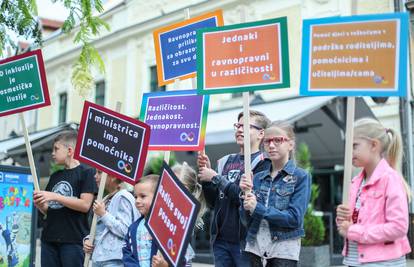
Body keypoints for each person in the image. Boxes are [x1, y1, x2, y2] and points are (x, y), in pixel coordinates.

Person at [197, 110, 270, 267]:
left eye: (246, 126)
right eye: (237, 125)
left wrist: (216, 178)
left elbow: (245, 199)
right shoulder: (225, 161)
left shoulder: (265, 163)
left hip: (246, 243)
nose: (239, 129)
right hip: (221, 241)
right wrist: (207, 181)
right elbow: (213, 203)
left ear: (261, 134)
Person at [336, 118, 411, 266]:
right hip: (353, 260)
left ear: (374, 145)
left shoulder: (390, 179)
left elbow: (398, 227)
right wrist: (341, 218)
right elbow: (350, 224)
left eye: (354, 145)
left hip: (383, 262)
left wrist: (354, 231)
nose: (349, 152)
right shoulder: (355, 182)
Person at [240, 120, 311, 267]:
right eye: (267, 141)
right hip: (254, 248)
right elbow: (245, 220)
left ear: (290, 144)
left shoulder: (301, 176)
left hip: (283, 250)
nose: (271, 145)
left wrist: (257, 208)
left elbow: (294, 219)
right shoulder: (258, 177)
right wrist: (244, 197)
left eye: (278, 140)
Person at [33, 130, 98, 267]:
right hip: (49, 238)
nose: (52, 153)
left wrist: (55, 196)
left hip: (73, 240)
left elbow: (85, 204)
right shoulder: (55, 176)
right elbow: (50, 210)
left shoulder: (87, 172)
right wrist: (40, 204)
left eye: (56, 149)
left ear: (69, 150)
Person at [152, 162, 208, 267]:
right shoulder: (159, 208)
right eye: (170, 184)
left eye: (178, 187)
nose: (173, 191)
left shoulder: (186, 217)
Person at [83, 170, 139, 267]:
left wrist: (104, 214)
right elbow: (102, 230)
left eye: (99, 173)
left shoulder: (123, 197)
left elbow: (126, 230)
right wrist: (88, 240)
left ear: (113, 176)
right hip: (100, 259)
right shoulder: (106, 198)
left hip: (115, 261)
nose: (95, 176)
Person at [122, 174, 160, 266]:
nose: (137, 201)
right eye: (135, 197)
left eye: (142, 196)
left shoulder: (166, 226)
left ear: (158, 196)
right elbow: (127, 254)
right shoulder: (133, 228)